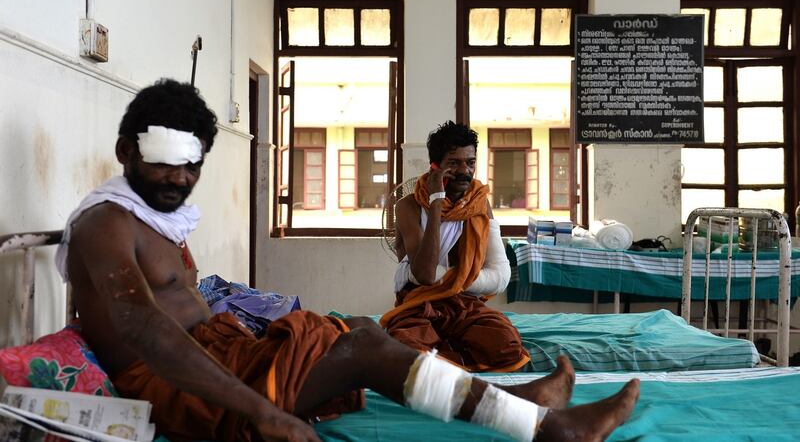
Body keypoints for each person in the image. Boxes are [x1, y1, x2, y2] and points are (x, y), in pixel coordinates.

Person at [57, 80, 639, 442]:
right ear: (126, 152)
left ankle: (516, 402)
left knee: (357, 329)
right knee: (365, 345)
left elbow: (185, 305)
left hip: (220, 354)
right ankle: (548, 428)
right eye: (164, 161)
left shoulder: (159, 219)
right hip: (184, 391)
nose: (180, 178)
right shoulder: (104, 223)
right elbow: (148, 331)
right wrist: (265, 413)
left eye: (192, 163)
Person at [383, 121, 528, 372]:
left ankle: (456, 361)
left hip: (465, 304)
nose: (464, 171)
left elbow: (499, 276)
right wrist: (436, 200)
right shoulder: (408, 207)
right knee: (408, 348)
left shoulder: (480, 206)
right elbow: (426, 276)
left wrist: (455, 282)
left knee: (507, 345)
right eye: (454, 163)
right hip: (419, 302)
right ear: (435, 166)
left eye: (470, 162)